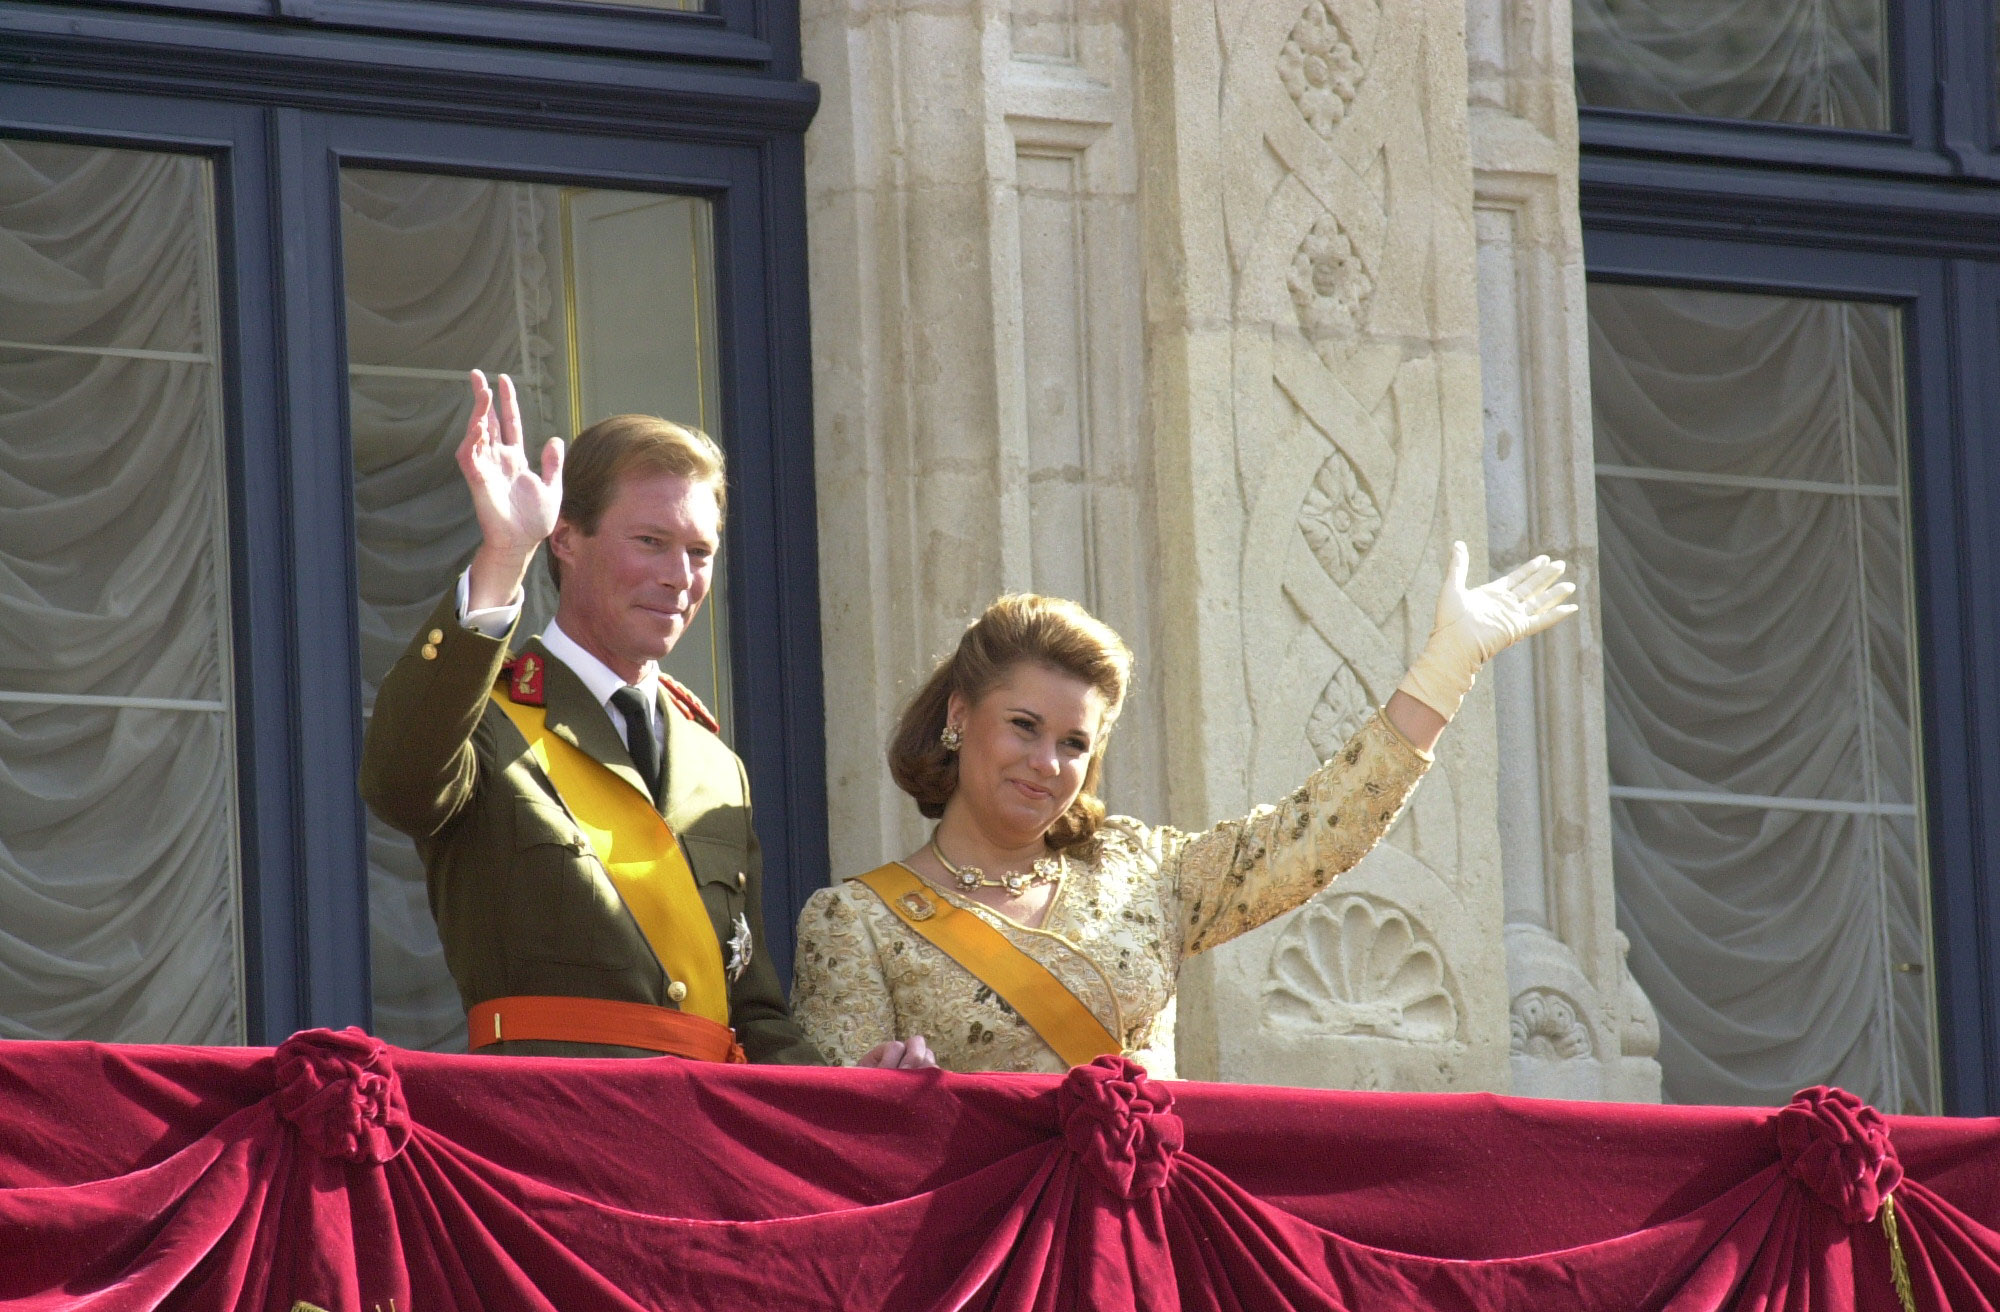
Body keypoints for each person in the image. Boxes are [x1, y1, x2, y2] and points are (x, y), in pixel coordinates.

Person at [791, 551, 1576, 1073]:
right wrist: (887, 1104)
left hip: (1142, 1243)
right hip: (983, 1261)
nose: (1047, 764)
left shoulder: (1138, 869)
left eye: (1074, 743)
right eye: (1023, 727)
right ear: (960, 715)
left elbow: (1312, 835)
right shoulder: (855, 923)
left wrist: (1445, 673)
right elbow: (837, 1159)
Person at [361, 370, 821, 1063]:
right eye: (651, 541)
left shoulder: (715, 765)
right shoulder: (486, 721)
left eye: (700, 552)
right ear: (567, 541)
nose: (680, 576)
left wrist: (856, 1095)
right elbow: (398, 780)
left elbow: (753, 1016)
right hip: (550, 1131)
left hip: (697, 1141)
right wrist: (503, 556)